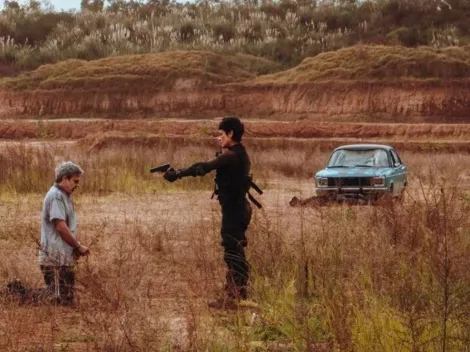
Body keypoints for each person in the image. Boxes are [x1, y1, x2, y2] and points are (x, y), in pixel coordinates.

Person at [163, 117, 256, 307]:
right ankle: (236, 294)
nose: (218, 138)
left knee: (232, 251)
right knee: (233, 249)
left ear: (231, 133)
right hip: (238, 209)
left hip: (235, 211)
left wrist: (179, 173)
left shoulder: (231, 156)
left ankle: (237, 296)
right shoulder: (238, 154)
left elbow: (203, 167)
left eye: (221, 134)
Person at [38, 161, 89, 306]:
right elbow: (61, 227)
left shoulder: (64, 196)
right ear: (64, 179)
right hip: (54, 259)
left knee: (64, 298)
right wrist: (78, 246)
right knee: (58, 299)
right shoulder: (56, 196)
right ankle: (17, 294)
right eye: (75, 181)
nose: (77, 185)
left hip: (62, 258)